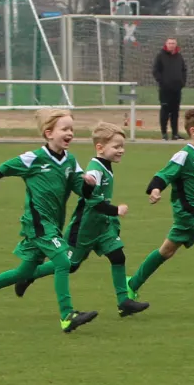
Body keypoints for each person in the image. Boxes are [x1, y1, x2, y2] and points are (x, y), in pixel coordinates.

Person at [0, 108, 103, 333]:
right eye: (64, 129)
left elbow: (81, 190)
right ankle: (67, 315)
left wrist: (88, 185)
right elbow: (4, 168)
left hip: (52, 224)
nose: (70, 133)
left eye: (72, 129)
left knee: (24, 273)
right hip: (38, 224)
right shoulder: (34, 158)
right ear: (48, 133)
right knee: (64, 261)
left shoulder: (70, 161)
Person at [128, 105, 194, 303]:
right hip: (188, 210)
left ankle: (132, 284)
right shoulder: (184, 155)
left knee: (166, 251)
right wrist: (155, 190)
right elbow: (163, 175)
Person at [66, 121, 151, 318]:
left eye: (122, 146)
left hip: (102, 225)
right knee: (69, 266)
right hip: (85, 227)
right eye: (116, 146)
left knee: (118, 256)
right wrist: (115, 210)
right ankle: (29, 275)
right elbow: (90, 198)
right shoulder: (95, 169)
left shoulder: (106, 165)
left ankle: (124, 302)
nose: (121, 150)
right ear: (100, 147)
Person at [152, 37, 188, 141]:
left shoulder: (179, 56)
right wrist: (163, 82)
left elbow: (183, 70)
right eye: (170, 43)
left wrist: (182, 82)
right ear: (166, 44)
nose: (171, 45)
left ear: (176, 45)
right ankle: (164, 133)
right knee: (165, 111)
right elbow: (155, 71)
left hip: (177, 89)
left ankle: (175, 134)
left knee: (175, 112)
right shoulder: (160, 56)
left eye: (173, 43)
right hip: (165, 89)